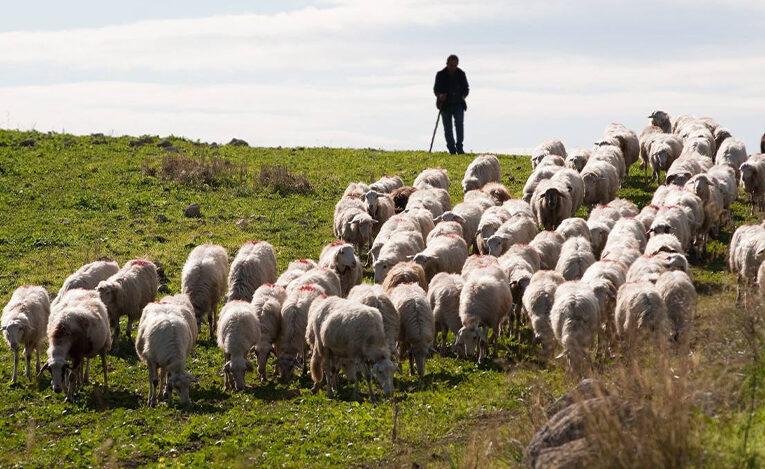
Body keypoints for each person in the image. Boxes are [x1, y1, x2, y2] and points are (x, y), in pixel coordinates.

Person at [433, 54, 469, 154]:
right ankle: (452, 150)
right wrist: (440, 96)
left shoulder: (461, 74)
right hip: (445, 105)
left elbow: (466, 89)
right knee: (448, 128)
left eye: (455, 65)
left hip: (458, 104)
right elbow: (436, 90)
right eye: (451, 65)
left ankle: (460, 148)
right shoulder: (440, 74)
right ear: (447, 64)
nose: (453, 67)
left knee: (459, 124)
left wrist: (463, 96)